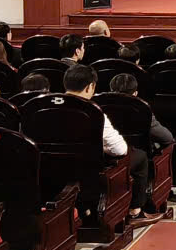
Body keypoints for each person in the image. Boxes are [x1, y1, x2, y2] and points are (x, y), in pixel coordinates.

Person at [64, 63, 159, 225]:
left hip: (56, 168)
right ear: (90, 87)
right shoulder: (94, 112)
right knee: (140, 156)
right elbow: (120, 150)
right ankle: (135, 211)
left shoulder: (44, 106)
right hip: (90, 169)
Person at [110, 73, 176, 150]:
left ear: (111, 91)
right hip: (136, 153)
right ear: (135, 93)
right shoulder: (143, 111)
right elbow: (167, 138)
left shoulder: (101, 107)